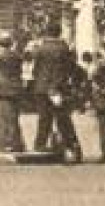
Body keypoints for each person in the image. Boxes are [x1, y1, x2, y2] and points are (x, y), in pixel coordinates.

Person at [28, 25, 81, 159]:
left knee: (44, 118)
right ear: (59, 33)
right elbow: (71, 68)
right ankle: (71, 145)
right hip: (58, 88)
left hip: (42, 88)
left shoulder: (40, 49)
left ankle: (40, 145)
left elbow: (35, 70)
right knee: (63, 118)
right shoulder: (64, 49)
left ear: (47, 33)